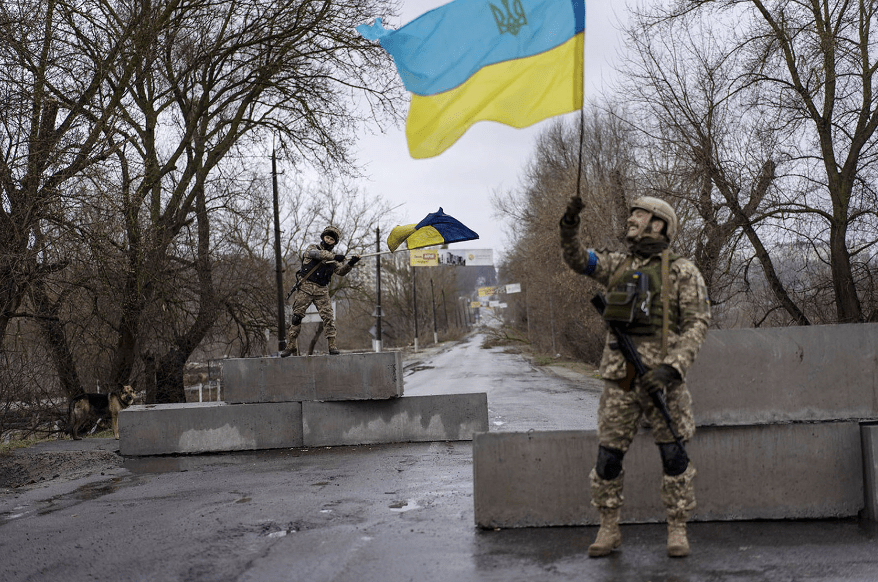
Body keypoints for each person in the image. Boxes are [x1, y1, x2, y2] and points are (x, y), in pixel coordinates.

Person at [559, 195, 711, 558]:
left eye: (640, 214)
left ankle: (677, 528)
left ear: (659, 224)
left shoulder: (682, 271)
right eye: (632, 214)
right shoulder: (616, 265)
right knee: (608, 458)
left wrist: (672, 367)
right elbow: (577, 258)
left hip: (664, 380)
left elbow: (698, 322)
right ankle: (609, 528)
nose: (632, 219)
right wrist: (570, 222)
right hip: (621, 378)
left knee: (674, 456)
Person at [281, 225, 360, 357]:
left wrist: (351, 263)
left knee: (328, 318)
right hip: (306, 288)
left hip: (321, 291)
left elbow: (341, 271)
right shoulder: (312, 249)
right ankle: (290, 346)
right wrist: (335, 256)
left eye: (332, 240)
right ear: (323, 237)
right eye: (327, 238)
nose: (329, 241)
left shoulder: (333, 260)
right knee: (296, 317)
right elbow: (318, 255)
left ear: (334, 242)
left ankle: (332, 345)